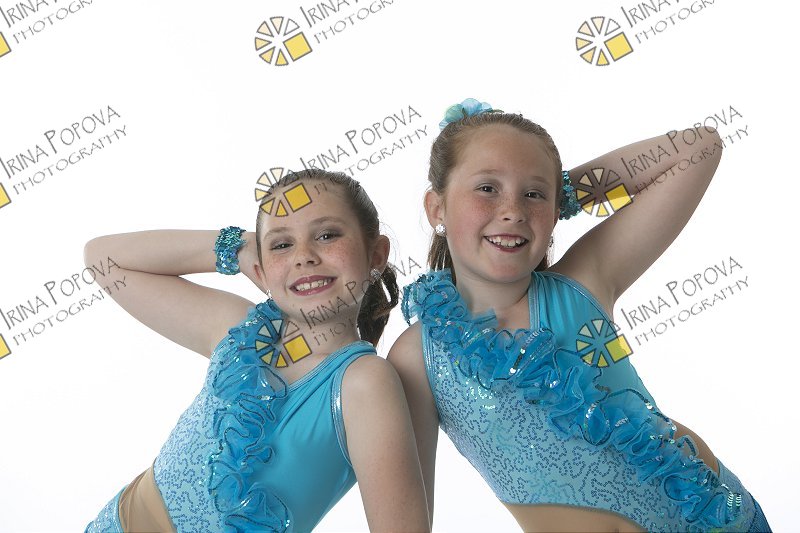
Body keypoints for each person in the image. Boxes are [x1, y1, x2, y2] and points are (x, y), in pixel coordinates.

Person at [389, 99, 771, 532]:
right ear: (436, 208)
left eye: (533, 194)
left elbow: (699, 147)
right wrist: (542, 192)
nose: (513, 210)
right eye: (487, 188)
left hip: (722, 518)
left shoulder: (582, 283)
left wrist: (564, 193)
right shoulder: (418, 356)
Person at [84, 169, 430, 532]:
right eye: (282, 245)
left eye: (326, 235)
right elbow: (103, 260)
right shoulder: (239, 332)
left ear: (376, 254)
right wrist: (238, 246)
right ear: (260, 270)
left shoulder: (364, 382)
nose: (304, 256)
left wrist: (271, 244)